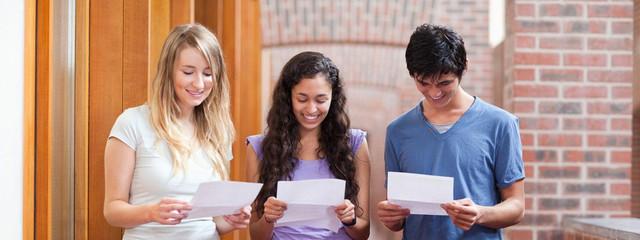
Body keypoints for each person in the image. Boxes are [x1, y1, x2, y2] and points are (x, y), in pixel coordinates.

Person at [376, 24, 525, 239]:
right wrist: (390, 217)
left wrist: (481, 213)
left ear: (464, 66)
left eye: (444, 82)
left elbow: (517, 206)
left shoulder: (500, 124)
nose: (434, 92)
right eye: (423, 83)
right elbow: (398, 219)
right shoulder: (398, 131)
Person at [103, 23, 251, 240]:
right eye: (188, 72)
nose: (199, 83)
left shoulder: (219, 131)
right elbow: (112, 211)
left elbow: (210, 222)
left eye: (208, 74)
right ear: (168, 72)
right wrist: (151, 212)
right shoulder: (132, 123)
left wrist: (230, 220)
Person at [246, 51, 371, 240]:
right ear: (288, 97)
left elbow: (363, 233)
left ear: (333, 98)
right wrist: (268, 218)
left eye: (321, 100)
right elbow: (256, 236)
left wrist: (350, 219)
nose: (311, 109)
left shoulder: (354, 143)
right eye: (302, 99)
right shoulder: (259, 148)